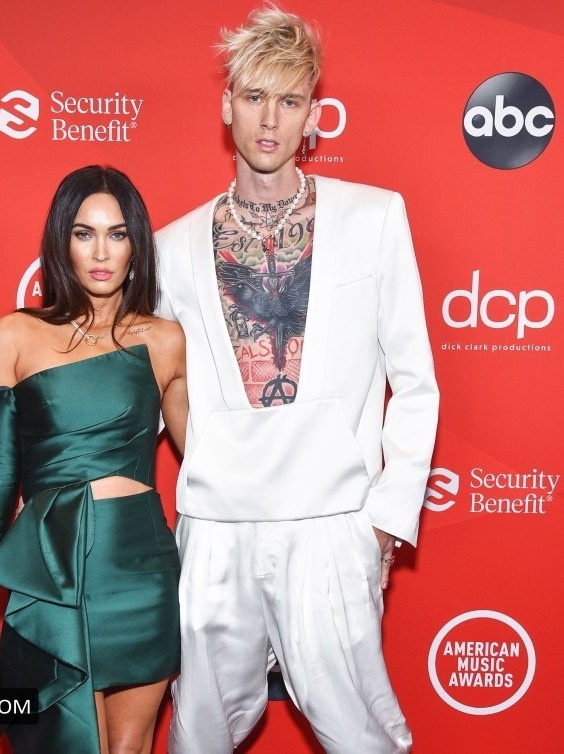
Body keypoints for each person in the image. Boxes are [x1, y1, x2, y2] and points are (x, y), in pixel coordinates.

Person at [155, 6, 439, 754]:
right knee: (197, 736)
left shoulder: (374, 218)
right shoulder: (171, 248)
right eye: (254, 97)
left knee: (361, 737)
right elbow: (151, 393)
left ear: (313, 114)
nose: (269, 119)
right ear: (227, 106)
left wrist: (386, 517)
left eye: (289, 100)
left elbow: (415, 380)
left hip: (332, 521)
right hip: (215, 526)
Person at [0, 165, 187, 754]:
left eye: (117, 234)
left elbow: (209, 457)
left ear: (137, 245)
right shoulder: (14, 335)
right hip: (53, 572)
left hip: (141, 570)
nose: (101, 252)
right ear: (62, 242)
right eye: (84, 233)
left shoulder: (165, 340)